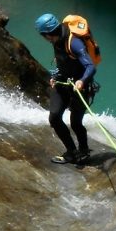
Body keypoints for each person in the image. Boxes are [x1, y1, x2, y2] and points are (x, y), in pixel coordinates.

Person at [34, 12, 96, 164]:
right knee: (54, 117)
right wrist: (56, 75)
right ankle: (71, 152)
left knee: (75, 122)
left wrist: (82, 81)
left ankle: (83, 151)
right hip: (63, 82)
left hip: (80, 87)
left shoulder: (73, 42)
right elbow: (63, 61)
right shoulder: (56, 39)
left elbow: (90, 66)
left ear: (46, 34)